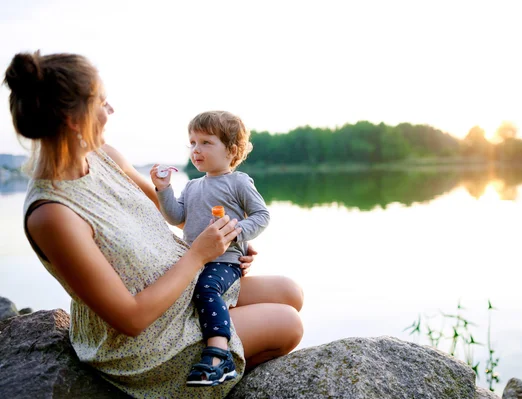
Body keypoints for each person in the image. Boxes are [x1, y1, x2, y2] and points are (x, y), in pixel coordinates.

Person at [4, 51, 303, 399]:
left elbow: (177, 213)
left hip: (182, 284)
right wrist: (199, 255)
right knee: (288, 323)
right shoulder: (52, 214)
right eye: (102, 102)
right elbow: (130, 319)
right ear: (74, 119)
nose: (111, 110)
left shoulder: (106, 157)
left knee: (290, 292)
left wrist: (228, 239)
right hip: (148, 341)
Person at [150, 110, 270, 387]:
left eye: (206, 142)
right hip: (194, 259)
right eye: (192, 143)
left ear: (232, 150)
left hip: (225, 261)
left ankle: (219, 353)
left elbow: (262, 215)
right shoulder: (192, 186)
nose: (196, 149)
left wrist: (237, 232)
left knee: (206, 287)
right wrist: (163, 189)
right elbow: (176, 217)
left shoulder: (239, 182)